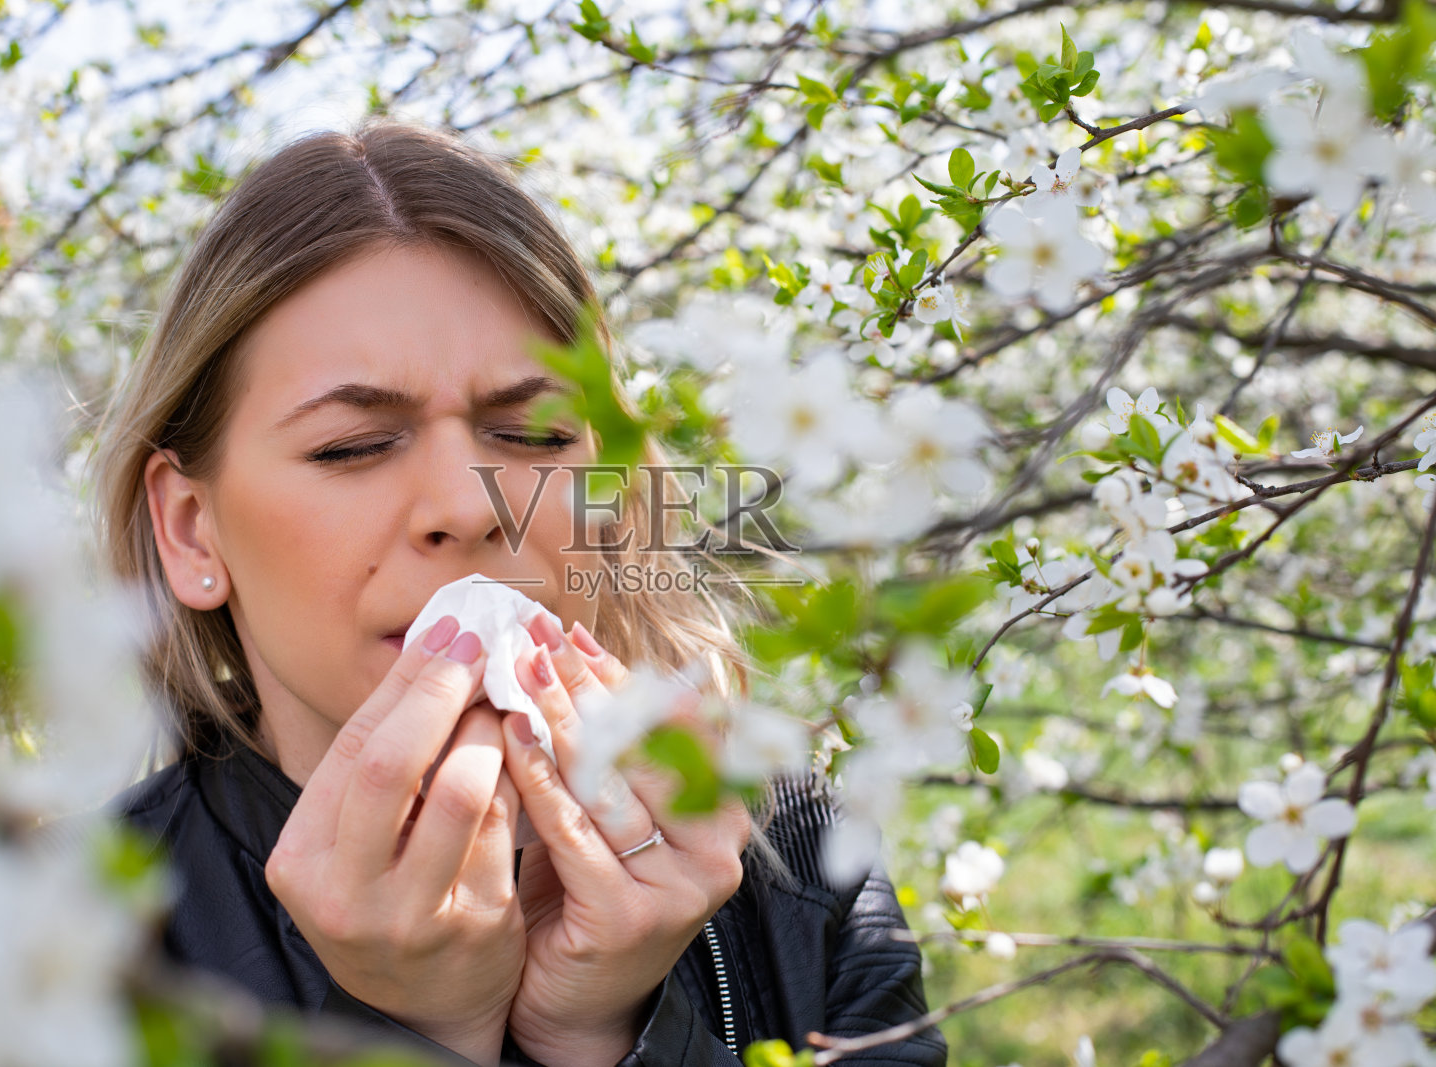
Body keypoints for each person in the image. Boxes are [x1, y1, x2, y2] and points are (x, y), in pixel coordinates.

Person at [88, 117, 948, 1067]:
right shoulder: (51, 942)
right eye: (351, 447)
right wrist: (423, 1036)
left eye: (537, 438)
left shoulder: (793, 857)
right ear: (190, 528)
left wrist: (600, 1039)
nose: (467, 504)